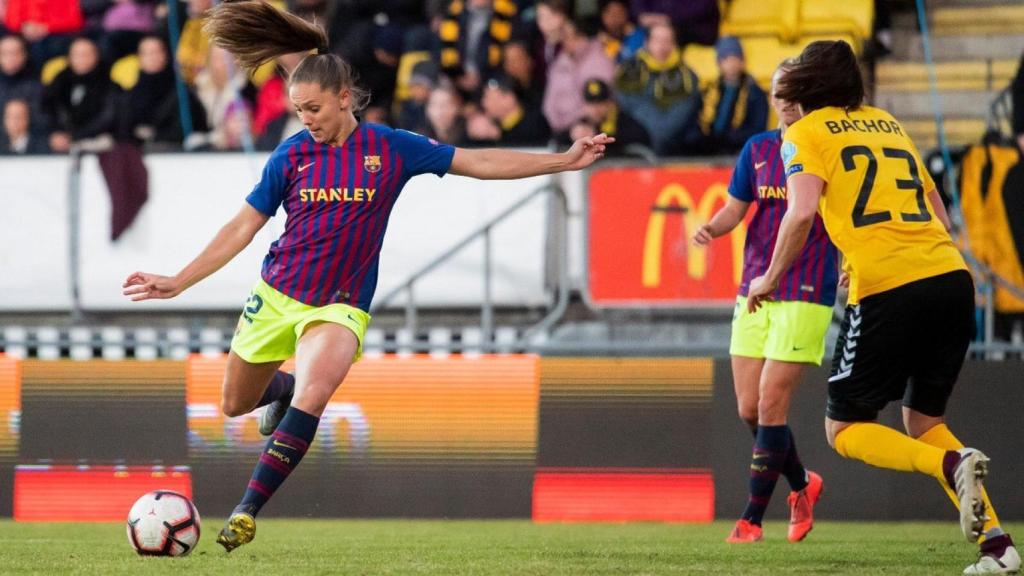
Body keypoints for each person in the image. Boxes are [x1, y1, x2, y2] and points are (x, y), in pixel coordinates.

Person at [121, 0, 611, 553]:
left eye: (313, 108)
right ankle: (280, 388)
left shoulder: (390, 148)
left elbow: (477, 162)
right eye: (298, 109)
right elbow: (241, 227)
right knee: (235, 404)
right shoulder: (290, 155)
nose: (306, 119)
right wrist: (180, 280)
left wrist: (562, 160)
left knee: (315, 393)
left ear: (344, 98)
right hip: (277, 295)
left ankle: (246, 510)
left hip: (340, 304)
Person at [748, 39, 1019, 575]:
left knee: (844, 429)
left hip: (889, 285)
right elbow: (939, 213)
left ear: (810, 82)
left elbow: (800, 213)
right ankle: (998, 546)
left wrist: (769, 277)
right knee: (924, 421)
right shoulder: (888, 123)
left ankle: (952, 462)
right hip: (950, 276)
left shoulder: (803, 133)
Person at [693, 62, 835, 544]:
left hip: (805, 287)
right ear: (772, 97)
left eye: (795, 92)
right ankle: (802, 483)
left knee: (771, 405)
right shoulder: (757, 149)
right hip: (755, 286)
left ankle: (751, 520)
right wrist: (711, 228)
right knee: (749, 408)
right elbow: (736, 209)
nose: (787, 100)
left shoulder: (823, 148)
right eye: (780, 92)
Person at [615, 21, 701, 156]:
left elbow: (678, 119)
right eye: (657, 40)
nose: (662, 46)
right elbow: (625, 104)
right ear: (647, 43)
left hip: (677, 150)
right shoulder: (628, 71)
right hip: (634, 146)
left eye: (668, 41)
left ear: (675, 44)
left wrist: (657, 134)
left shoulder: (688, 77)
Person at [696, 36, 767, 156]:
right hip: (710, 149)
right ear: (719, 63)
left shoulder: (755, 93)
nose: (732, 64)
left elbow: (758, 129)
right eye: (727, 59)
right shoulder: (709, 91)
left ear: (742, 61)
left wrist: (731, 137)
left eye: (736, 58)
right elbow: (701, 123)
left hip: (740, 150)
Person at [566, 78, 649, 154]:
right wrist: (572, 134)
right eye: (591, 103)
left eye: (600, 103)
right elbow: (561, 137)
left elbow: (642, 136)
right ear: (584, 105)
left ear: (610, 103)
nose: (596, 108)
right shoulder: (583, 123)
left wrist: (597, 136)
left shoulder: (621, 119)